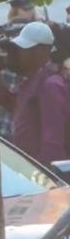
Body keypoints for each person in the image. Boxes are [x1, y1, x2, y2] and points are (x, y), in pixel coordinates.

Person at [10, 21, 70, 164]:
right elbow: (22, 111)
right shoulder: (32, 79)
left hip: (40, 171)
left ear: (42, 51)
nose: (21, 54)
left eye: (25, 49)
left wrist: (45, 177)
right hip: (26, 165)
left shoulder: (51, 85)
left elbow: (53, 142)